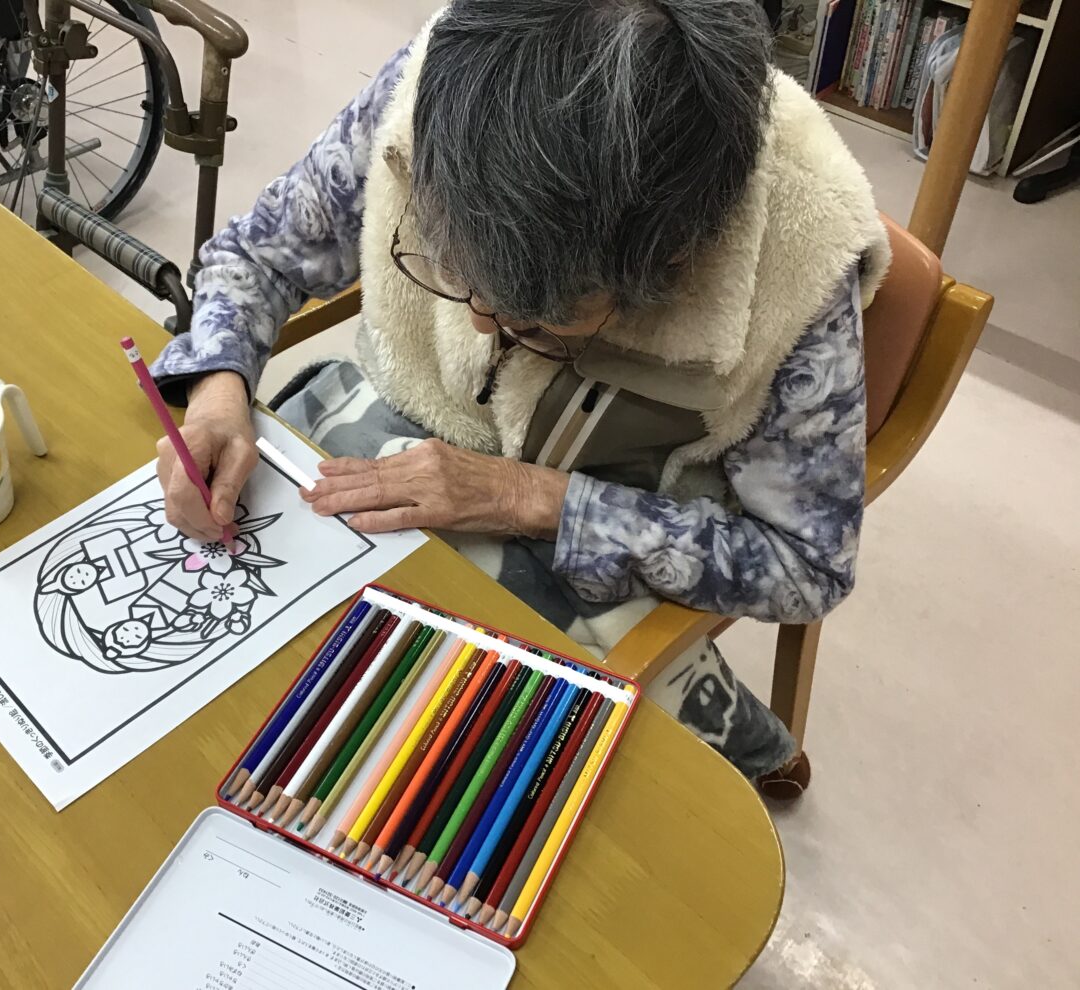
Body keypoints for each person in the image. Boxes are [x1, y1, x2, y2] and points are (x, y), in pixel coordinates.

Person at [149, 0, 890, 779]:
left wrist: (528, 499)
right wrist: (219, 391)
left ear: (675, 260)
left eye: (536, 321)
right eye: (447, 264)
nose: (477, 322)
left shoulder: (802, 251)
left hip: (606, 525)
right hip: (395, 448)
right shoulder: (445, 87)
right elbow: (259, 254)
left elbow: (806, 567)